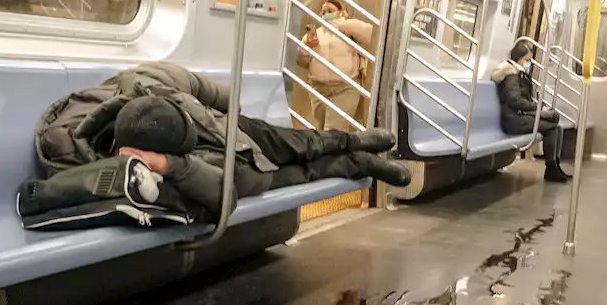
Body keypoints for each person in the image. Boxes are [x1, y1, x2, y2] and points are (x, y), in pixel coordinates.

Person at [35, 62, 410, 219]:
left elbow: (200, 87)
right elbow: (223, 199)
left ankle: (355, 140)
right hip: (234, 174)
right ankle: (363, 163)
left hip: (231, 129)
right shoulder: (119, 171)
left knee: (307, 142)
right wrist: (173, 167)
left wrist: (224, 110)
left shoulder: (147, 81)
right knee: (307, 172)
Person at [490, 40, 570, 183]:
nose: (529, 63)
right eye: (527, 60)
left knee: (557, 126)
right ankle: (551, 168)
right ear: (519, 59)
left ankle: (555, 165)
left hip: (519, 115)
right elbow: (515, 100)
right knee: (552, 128)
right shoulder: (512, 74)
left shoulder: (519, 73)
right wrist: (536, 108)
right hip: (513, 119)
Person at [296, 0, 374, 131]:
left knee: (334, 131)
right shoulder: (314, 34)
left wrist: (343, 24)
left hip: (344, 89)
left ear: (342, 13)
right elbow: (301, 62)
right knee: (321, 131)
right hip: (319, 91)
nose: (326, 14)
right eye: (323, 12)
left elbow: (370, 33)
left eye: (330, 11)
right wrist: (307, 47)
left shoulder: (349, 29)